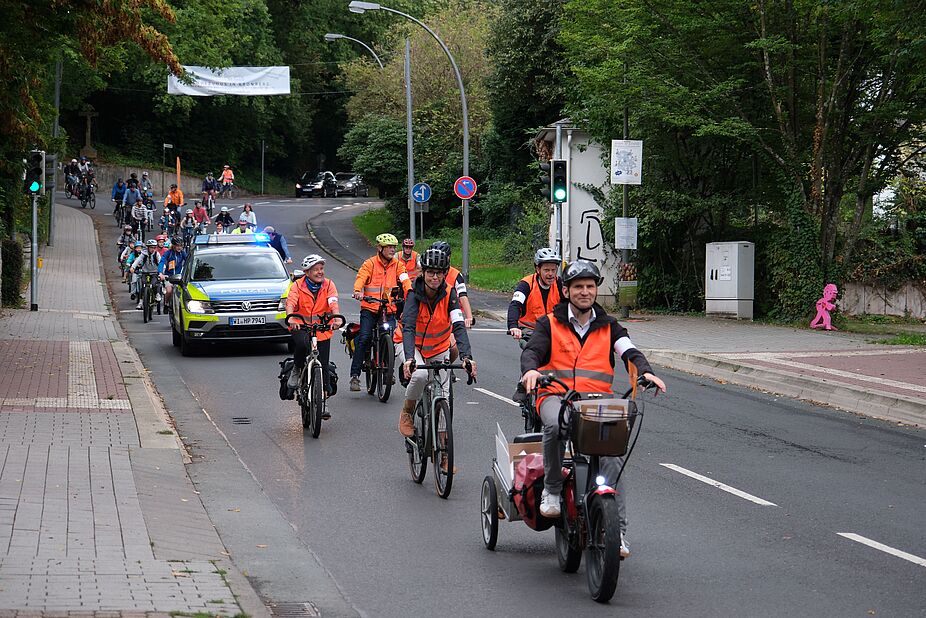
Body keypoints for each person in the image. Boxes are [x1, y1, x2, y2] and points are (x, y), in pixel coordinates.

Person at [519, 260, 667, 555]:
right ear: (566, 291)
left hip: (597, 401)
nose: (584, 292)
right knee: (555, 425)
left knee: (613, 456)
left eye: (589, 286)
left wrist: (646, 372)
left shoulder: (609, 325)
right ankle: (552, 490)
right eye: (578, 287)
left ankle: (618, 533)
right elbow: (533, 350)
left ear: (596, 290)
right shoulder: (549, 323)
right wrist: (531, 371)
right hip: (556, 396)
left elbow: (629, 351)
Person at [398, 248, 477, 446]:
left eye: (439, 273)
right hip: (411, 345)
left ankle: (442, 446)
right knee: (420, 375)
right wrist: (409, 358)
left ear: (444, 274)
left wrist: (467, 357)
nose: (435, 277)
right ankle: (407, 410)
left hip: (438, 347)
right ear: (423, 272)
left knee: (444, 395)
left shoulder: (449, 293)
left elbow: (458, 326)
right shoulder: (414, 293)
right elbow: (408, 328)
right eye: (431, 272)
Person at [349, 233, 411, 392]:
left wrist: (410, 291)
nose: (392, 250)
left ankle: (387, 371)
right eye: (389, 247)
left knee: (390, 338)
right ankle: (355, 375)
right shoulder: (369, 264)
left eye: (394, 247)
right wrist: (358, 291)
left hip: (388, 309)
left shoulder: (398, 265)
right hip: (370, 308)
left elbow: (405, 279)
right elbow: (361, 278)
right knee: (364, 338)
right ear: (380, 248)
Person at [286, 255, 344, 418]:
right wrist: (291, 317)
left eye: (321, 269)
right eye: (316, 270)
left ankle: (322, 401)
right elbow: (290, 303)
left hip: (321, 328)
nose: (320, 272)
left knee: (323, 365)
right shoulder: (297, 285)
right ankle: (297, 368)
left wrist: (337, 318)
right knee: (301, 345)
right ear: (307, 272)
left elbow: (333, 303)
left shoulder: (329, 285)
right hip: (301, 326)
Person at [508, 247, 563, 341]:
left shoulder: (559, 284)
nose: (551, 274)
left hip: (552, 330)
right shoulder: (526, 284)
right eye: (546, 270)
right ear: (538, 269)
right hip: (530, 330)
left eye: (553, 270)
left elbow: (570, 305)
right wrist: (513, 326)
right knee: (535, 347)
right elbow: (515, 305)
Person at [429, 241, 473, 328]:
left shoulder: (456, 275)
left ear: (448, 257)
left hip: (451, 315)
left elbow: (463, 296)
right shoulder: (425, 273)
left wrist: (469, 317)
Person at [130, 239, 162, 309]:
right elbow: (138, 260)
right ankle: (141, 302)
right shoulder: (143, 254)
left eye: (154, 248)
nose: (153, 249)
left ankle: (157, 294)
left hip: (154, 272)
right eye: (151, 247)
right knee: (143, 285)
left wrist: (161, 272)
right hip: (145, 272)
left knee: (154, 284)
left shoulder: (156, 254)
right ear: (148, 247)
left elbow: (161, 263)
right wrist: (133, 267)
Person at [158, 236, 187, 306]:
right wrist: (160, 273)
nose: (179, 248)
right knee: (169, 291)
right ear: (173, 246)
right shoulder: (169, 253)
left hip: (179, 277)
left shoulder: (182, 253)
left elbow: (188, 261)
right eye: (177, 246)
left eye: (181, 246)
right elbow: (162, 262)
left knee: (185, 291)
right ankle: (166, 303)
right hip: (169, 276)